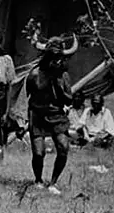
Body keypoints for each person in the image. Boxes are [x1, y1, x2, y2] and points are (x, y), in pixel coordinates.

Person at [25, 31, 78, 195]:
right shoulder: (34, 75)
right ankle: (38, 180)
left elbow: (69, 100)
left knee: (63, 147)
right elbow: (28, 97)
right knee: (38, 153)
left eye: (59, 58)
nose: (56, 61)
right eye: (52, 57)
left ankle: (53, 182)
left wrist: (58, 84)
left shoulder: (63, 76)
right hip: (38, 115)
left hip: (57, 115)